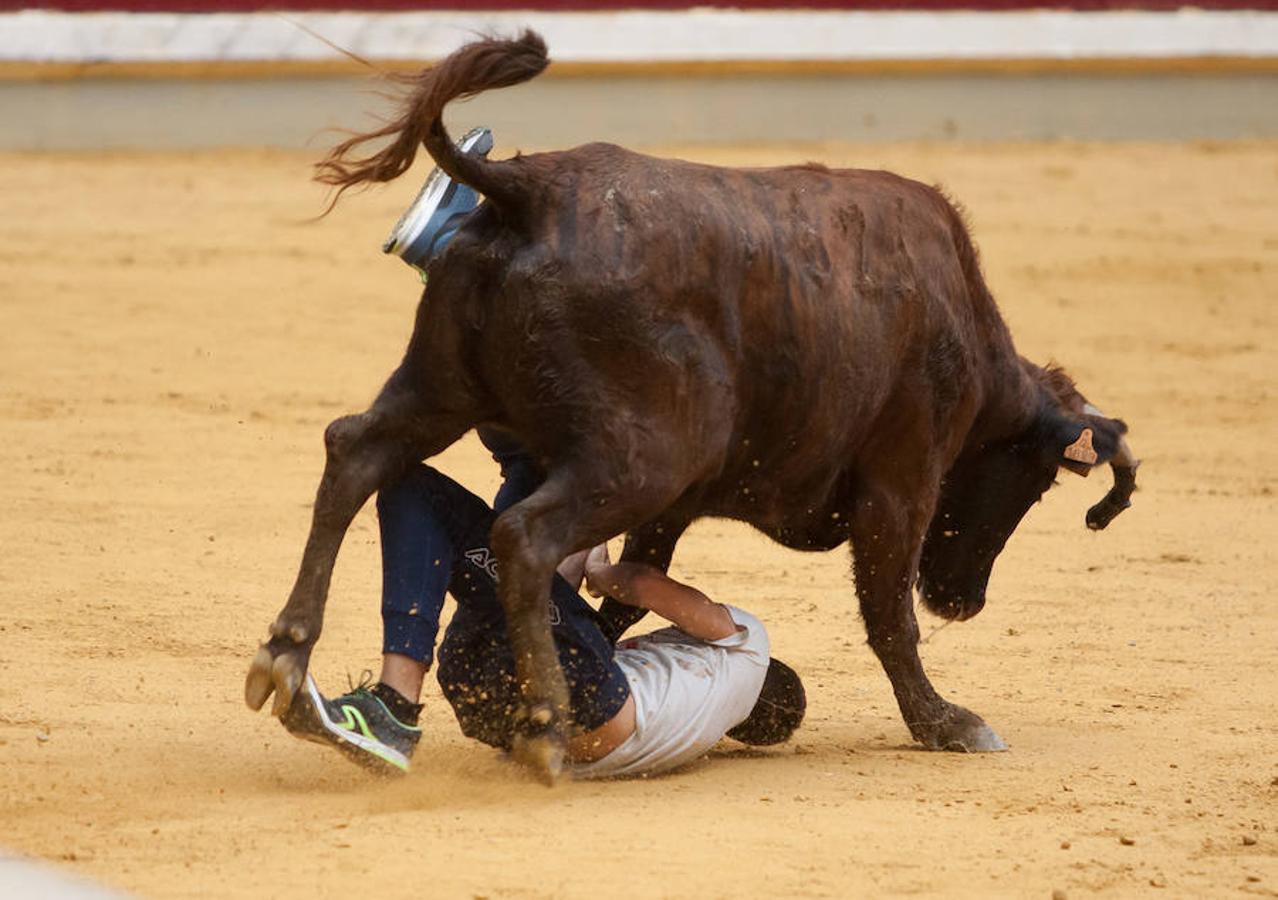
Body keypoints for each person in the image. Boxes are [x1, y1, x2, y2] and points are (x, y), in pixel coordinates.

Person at [278, 129, 805, 778]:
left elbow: (641, 586)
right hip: (496, 706)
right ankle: (392, 708)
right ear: (741, 735)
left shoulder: (749, 652)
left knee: (519, 479)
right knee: (517, 483)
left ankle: (452, 250)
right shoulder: (694, 732)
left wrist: (598, 561)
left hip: (581, 694)